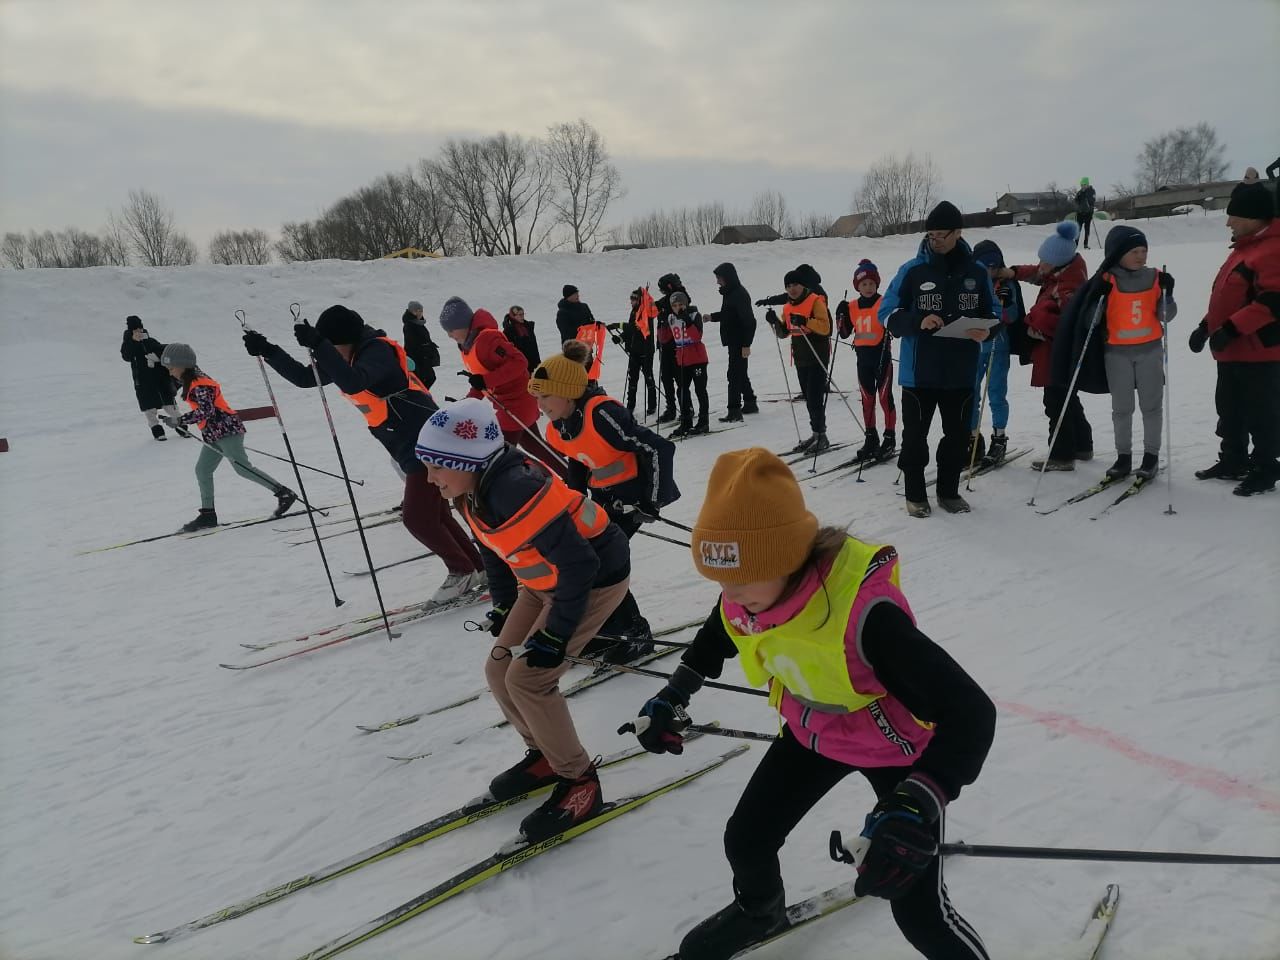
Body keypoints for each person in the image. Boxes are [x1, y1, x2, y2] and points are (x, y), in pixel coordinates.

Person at [629, 448, 995, 960]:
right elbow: (720, 631)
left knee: (917, 914)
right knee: (747, 839)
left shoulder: (864, 617)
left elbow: (972, 713)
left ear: (788, 557)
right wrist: (675, 693)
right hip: (813, 735)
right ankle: (761, 910)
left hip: (898, 755)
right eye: (719, 581)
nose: (729, 593)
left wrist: (918, 802)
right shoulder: (746, 592)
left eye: (740, 578)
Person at [415, 397, 632, 842]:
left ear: (466, 459)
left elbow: (580, 567)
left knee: (529, 679)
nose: (430, 477)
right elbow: (494, 549)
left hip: (592, 580)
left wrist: (555, 634)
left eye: (437, 465)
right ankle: (545, 755)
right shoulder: (473, 490)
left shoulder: (514, 488)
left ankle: (580, 782)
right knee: (499, 670)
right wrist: (501, 603)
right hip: (544, 581)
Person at [243, 305, 487, 604]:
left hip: (426, 442)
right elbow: (307, 378)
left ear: (346, 340)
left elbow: (354, 381)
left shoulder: (377, 352)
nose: (331, 353)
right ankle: (478, 567)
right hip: (408, 443)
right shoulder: (351, 355)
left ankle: (461, 571)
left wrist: (319, 344)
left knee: (418, 519)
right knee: (435, 515)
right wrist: (268, 350)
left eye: (334, 346)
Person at [529, 348, 680, 660]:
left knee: (601, 562)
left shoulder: (602, 414)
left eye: (545, 397)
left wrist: (651, 502)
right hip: (603, 500)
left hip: (633, 499)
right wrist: (573, 500)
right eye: (537, 399)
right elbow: (578, 458)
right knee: (584, 559)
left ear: (569, 393)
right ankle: (608, 631)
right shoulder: (563, 422)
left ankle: (634, 633)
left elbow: (658, 449)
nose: (540, 406)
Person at [881, 201, 996, 516]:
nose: (936, 240)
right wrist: (919, 321)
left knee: (957, 438)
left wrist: (989, 330)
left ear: (958, 233)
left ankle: (949, 492)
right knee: (915, 438)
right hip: (920, 374)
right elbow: (886, 312)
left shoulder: (977, 272)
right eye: (931, 235)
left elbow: (993, 313)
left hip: (961, 372)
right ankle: (915, 494)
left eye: (942, 234)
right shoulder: (912, 270)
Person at [1059, 227, 1177, 482]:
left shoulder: (1156, 277)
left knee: (1151, 406)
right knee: (1122, 409)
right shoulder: (1107, 280)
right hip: (1117, 354)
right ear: (1118, 254)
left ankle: (1150, 456)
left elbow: (1167, 316)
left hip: (1150, 351)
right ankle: (1123, 457)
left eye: (1144, 250)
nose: (1141, 256)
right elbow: (1090, 322)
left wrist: (1168, 296)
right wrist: (1097, 299)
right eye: (1134, 251)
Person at [1188, 180, 1280, 496]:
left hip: (1258, 352)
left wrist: (1231, 329)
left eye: (1234, 216)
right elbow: (1228, 297)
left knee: (1261, 413)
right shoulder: (1242, 249)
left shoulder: (1272, 249)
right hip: (1230, 350)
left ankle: (1265, 468)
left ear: (1254, 217)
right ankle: (1233, 459)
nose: (1228, 222)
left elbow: (1272, 301)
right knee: (1230, 409)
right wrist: (1205, 326)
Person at [159, 342, 295, 532]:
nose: (170, 372)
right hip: (214, 434)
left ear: (184, 365)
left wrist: (180, 420)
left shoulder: (199, 384)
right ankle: (208, 514)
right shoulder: (193, 382)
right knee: (203, 470)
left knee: (243, 468)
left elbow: (206, 410)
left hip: (226, 430)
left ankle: (283, 493)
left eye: (171, 368)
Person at [993, 221, 1091, 472]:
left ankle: (1061, 454)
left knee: (1056, 400)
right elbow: (1037, 272)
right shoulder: (1060, 271)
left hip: (1058, 351)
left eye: (1045, 262)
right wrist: (1012, 272)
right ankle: (1083, 445)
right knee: (1068, 397)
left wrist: (1035, 326)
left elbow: (1065, 324)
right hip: (1053, 350)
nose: (1041, 266)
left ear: (1059, 262)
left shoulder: (1069, 287)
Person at [437, 296, 566, 476]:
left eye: (451, 330)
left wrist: (486, 381)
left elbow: (519, 362)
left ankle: (514, 487)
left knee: (498, 457)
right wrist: (466, 404)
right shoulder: (469, 346)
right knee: (535, 446)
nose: (450, 335)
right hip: (508, 405)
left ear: (463, 324)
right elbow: (480, 381)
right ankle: (567, 476)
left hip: (516, 404)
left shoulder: (487, 339)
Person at [969, 241, 1026, 468]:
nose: (990, 271)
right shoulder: (972, 283)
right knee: (970, 393)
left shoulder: (1006, 284)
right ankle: (973, 438)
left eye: (994, 267)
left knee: (996, 393)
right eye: (985, 266)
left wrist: (1007, 303)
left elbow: (1012, 316)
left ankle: (999, 438)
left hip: (997, 345)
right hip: (974, 345)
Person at [836, 259, 897, 463]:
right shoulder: (852, 306)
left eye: (872, 283)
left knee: (884, 398)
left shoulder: (883, 302)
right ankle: (871, 437)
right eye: (864, 284)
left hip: (882, 358)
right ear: (857, 286)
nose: (868, 287)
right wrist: (840, 315)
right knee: (867, 399)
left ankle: (889, 438)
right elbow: (844, 333)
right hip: (863, 361)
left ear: (877, 284)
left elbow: (895, 328)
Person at [766, 266, 832, 453]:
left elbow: (825, 327)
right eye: (788, 286)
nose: (792, 289)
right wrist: (774, 322)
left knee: (814, 397)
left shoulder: (815, 301)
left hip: (817, 355)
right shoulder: (787, 307)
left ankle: (821, 435)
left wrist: (805, 321)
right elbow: (784, 333)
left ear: (802, 285)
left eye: (795, 284)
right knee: (809, 398)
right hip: (801, 358)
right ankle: (816, 433)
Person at [704, 262, 758, 422]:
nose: (717, 281)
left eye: (719, 278)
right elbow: (729, 314)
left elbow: (750, 321)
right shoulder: (730, 293)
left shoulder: (739, 294)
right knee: (740, 373)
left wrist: (747, 344)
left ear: (728, 277)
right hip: (734, 341)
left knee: (734, 375)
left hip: (740, 341)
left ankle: (734, 411)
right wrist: (712, 317)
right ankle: (750, 402)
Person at [120, 315, 178, 440]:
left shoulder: (150, 341)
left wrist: (157, 357)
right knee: (149, 408)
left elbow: (163, 349)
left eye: (140, 329)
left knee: (169, 405)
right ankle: (157, 431)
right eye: (135, 330)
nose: (139, 332)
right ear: (130, 331)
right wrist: (134, 342)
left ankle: (181, 426)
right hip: (143, 382)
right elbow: (126, 356)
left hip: (159, 380)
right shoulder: (128, 344)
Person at [668, 291, 711, 437]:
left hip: (697, 359)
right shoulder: (671, 318)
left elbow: (697, 336)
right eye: (674, 305)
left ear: (686, 304)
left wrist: (687, 320)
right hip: (682, 360)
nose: (678, 308)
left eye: (681, 304)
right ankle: (686, 422)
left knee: (700, 390)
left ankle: (703, 422)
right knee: (682, 390)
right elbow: (669, 338)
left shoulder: (694, 315)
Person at [613, 287, 658, 417]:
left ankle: (652, 405)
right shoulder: (633, 312)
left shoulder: (646, 312)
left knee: (648, 377)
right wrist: (620, 338)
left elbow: (636, 327)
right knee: (632, 378)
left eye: (634, 299)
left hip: (646, 350)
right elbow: (630, 331)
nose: (632, 301)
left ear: (640, 300)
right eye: (631, 298)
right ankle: (630, 405)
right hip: (634, 351)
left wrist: (618, 324)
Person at [555, 285, 607, 380]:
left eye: (577, 293)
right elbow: (564, 330)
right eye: (575, 294)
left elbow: (591, 321)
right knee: (575, 373)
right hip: (572, 348)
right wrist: (581, 329)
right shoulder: (562, 312)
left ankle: (592, 388)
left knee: (589, 371)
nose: (577, 295)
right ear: (568, 296)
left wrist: (597, 324)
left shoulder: (584, 307)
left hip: (587, 346)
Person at [654, 273, 687, 422]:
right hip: (664, 343)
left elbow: (670, 303)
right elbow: (661, 303)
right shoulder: (666, 299)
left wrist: (659, 305)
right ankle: (671, 408)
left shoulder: (681, 297)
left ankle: (686, 408)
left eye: (663, 289)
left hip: (676, 345)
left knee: (679, 379)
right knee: (666, 378)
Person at [401, 300, 441, 388]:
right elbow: (411, 343)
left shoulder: (419, 323)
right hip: (416, 358)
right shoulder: (409, 325)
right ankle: (420, 396)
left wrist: (430, 345)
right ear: (411, 312)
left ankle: (422, 396)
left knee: (430, 378)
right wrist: (425, 347)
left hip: (424, 358)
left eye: (421, 311)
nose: (419, 313)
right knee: (422, 380)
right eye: (416, 311)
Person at [501, 305, 542, 372]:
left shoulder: (528, 327)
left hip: (532, 363)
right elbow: (507, 352)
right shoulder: (508, 331)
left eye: (523, 314)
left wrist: (538, 362)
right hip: (519, 365)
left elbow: (534, 346)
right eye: (520, 315)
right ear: (513, 316)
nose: (522, 316)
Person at [1075, 177, 1097, 249]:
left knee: (1087, 229)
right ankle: (1075, 244)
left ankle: (1086, 244)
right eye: (1081, 185)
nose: (1083, 186)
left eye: (1084, 185)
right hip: (1080, 213)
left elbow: (1092, 201)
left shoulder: (1092, 191)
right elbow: (1076, 201)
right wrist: (1078, 196)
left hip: (1088, 213)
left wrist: (1086, 194)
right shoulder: (1080, 192)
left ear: (1087, 184)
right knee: (1078, 229)